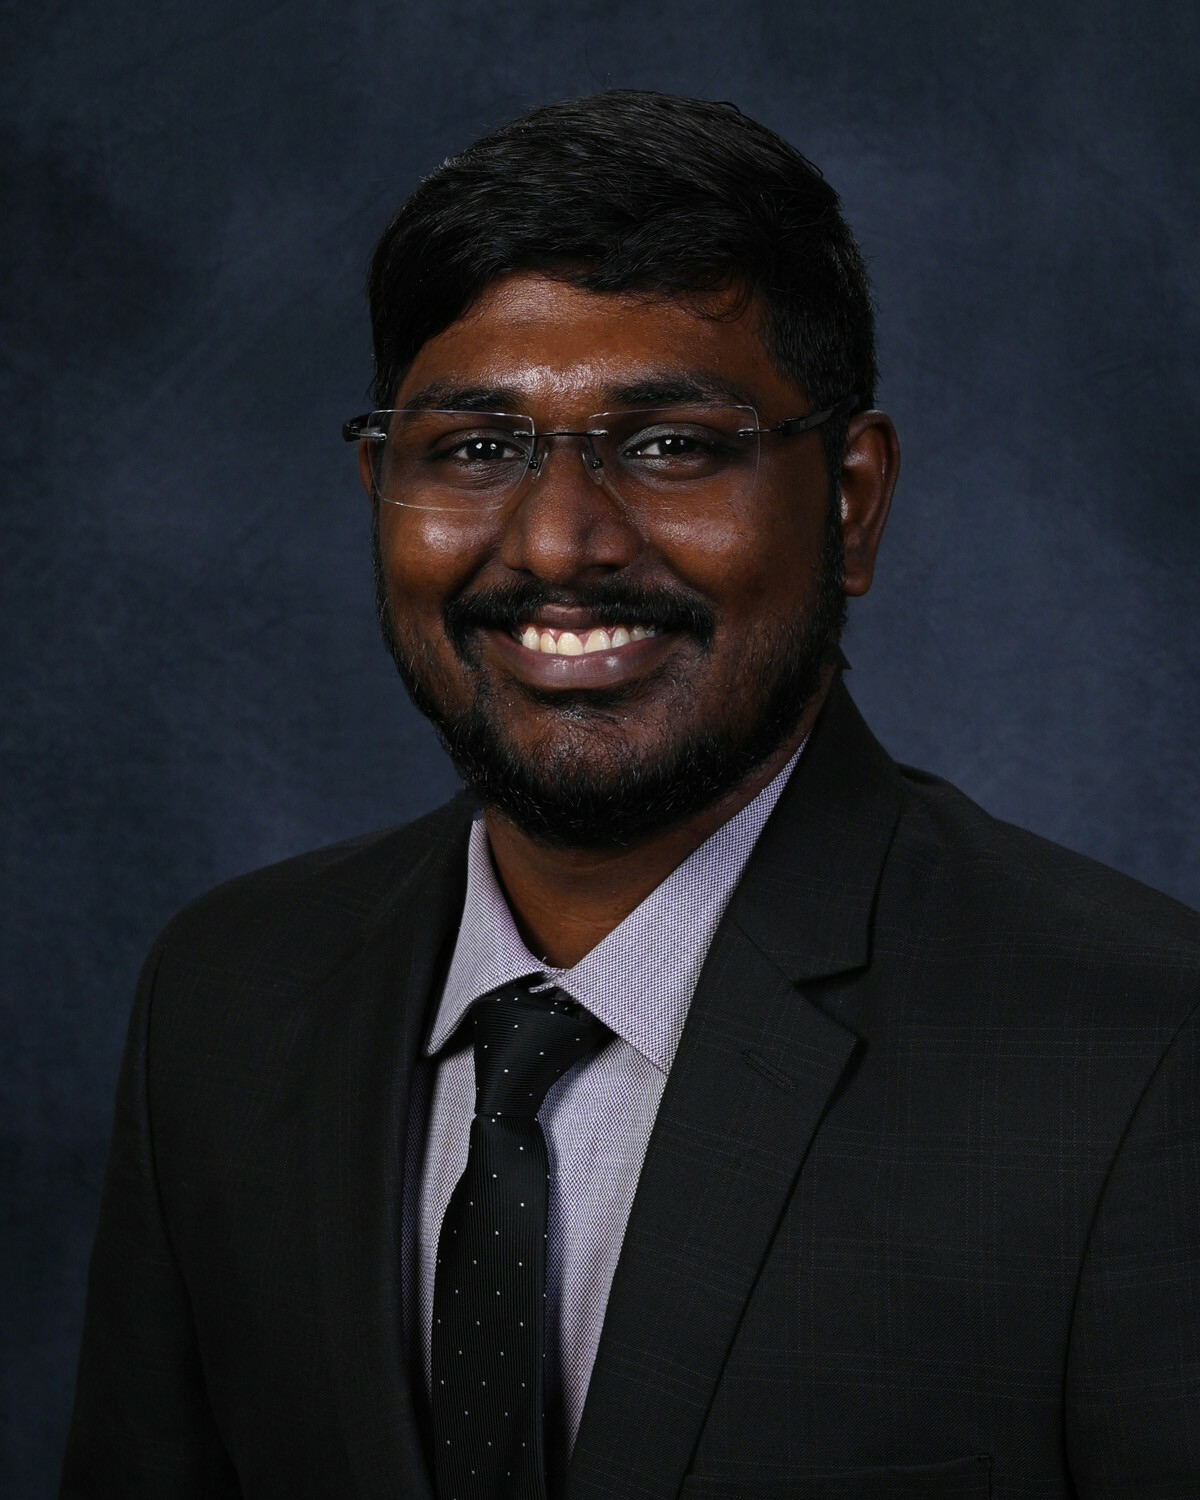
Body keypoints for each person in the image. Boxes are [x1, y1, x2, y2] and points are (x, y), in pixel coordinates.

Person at [62, 90, 1200, 1500]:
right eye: (476, 449)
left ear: (851, 499)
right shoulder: (226, 1002)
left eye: (669, 445)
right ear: (379, 486)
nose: (560, 543)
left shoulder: (1142, 1052)